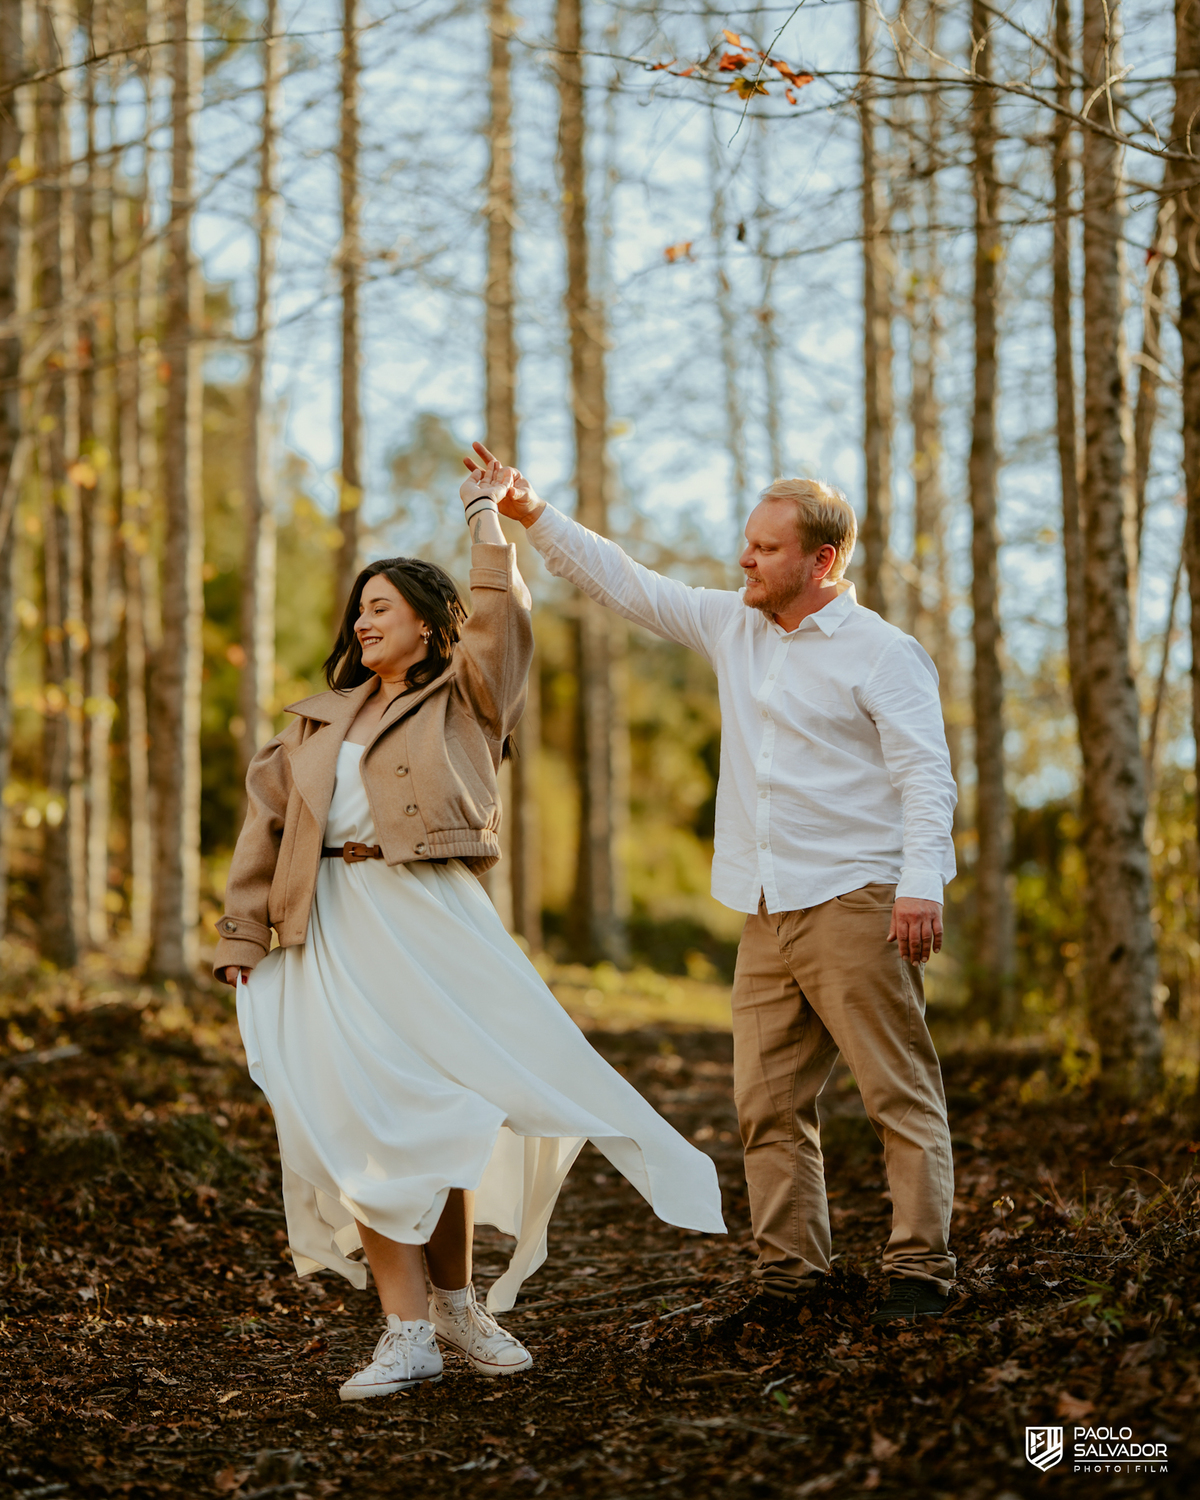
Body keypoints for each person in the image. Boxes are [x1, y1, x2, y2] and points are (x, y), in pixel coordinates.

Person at [213, 461, 725, 1400]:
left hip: (431, 925)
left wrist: (487, 518)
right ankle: (406, 1330)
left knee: (441, 1114)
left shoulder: (464, 698)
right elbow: (266, 834)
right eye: (358, 609)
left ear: (425, 620)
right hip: (327, 935)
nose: (364, 620)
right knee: (362, 1121)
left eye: (382, 606)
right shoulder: (311, 726)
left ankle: (453, 1304)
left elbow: (501, 623)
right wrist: (242, 941)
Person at [464, 443, 959, 1325]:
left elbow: (926, 775)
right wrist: (531, 512)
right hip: (765, 907)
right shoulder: (733, 624)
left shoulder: (883, 653)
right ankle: (790, 1277)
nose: (745, 560)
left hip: (857, 898)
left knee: (896, 1093)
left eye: (766, 549)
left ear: (822, 561)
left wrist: (923, 883)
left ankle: (921, 1270)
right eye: (747, 542)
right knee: (766, 1106)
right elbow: (627, 584)